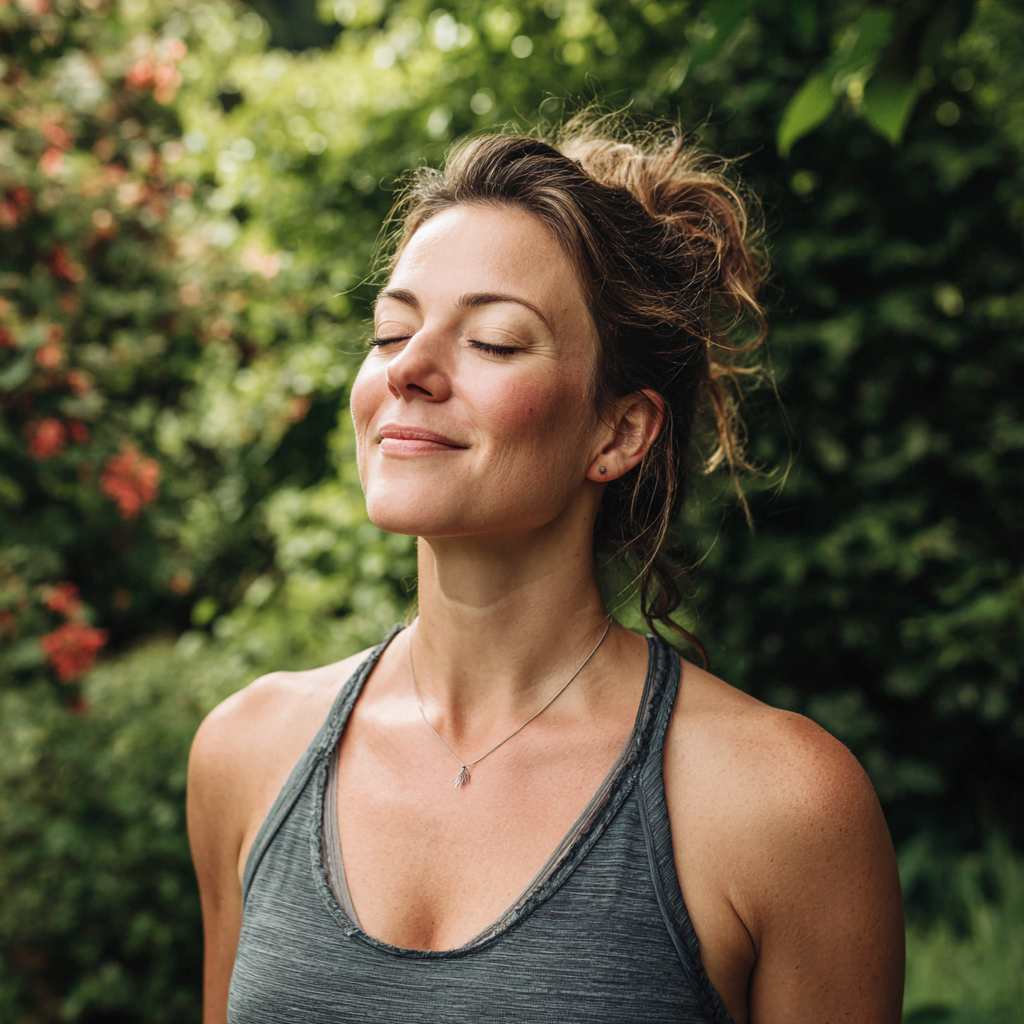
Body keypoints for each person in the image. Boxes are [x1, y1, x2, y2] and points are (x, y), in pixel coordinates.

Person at [187, 119, 905, 1024]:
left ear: (619, 432)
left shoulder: (781, 805)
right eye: (390, 329)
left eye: (492, 341)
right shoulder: (247, 753)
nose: (408, 368)